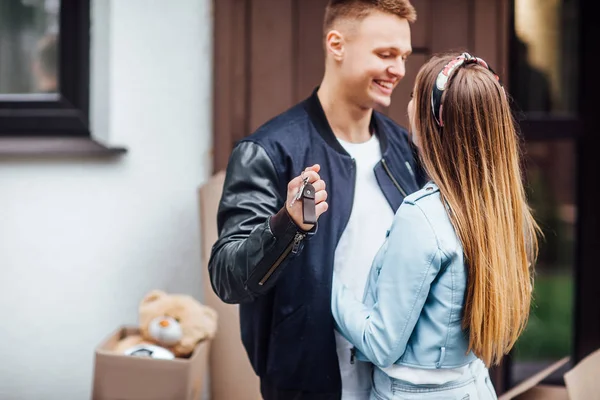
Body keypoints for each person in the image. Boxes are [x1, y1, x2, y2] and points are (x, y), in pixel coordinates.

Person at [208, 1, 425, 398]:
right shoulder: (270, 151)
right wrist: (288, 224)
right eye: (385, 54)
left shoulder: (406, 151)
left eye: (404, 56)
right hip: (307, 386)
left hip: (397, 385)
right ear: (336, 44)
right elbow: (228, 276)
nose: (399, 69)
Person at [331, 52, 541, 399]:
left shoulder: (422, 217)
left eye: (414, 95)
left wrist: (327, 282)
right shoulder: (505, 212)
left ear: (434, 122)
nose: (408, 104)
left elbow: (382, 344)